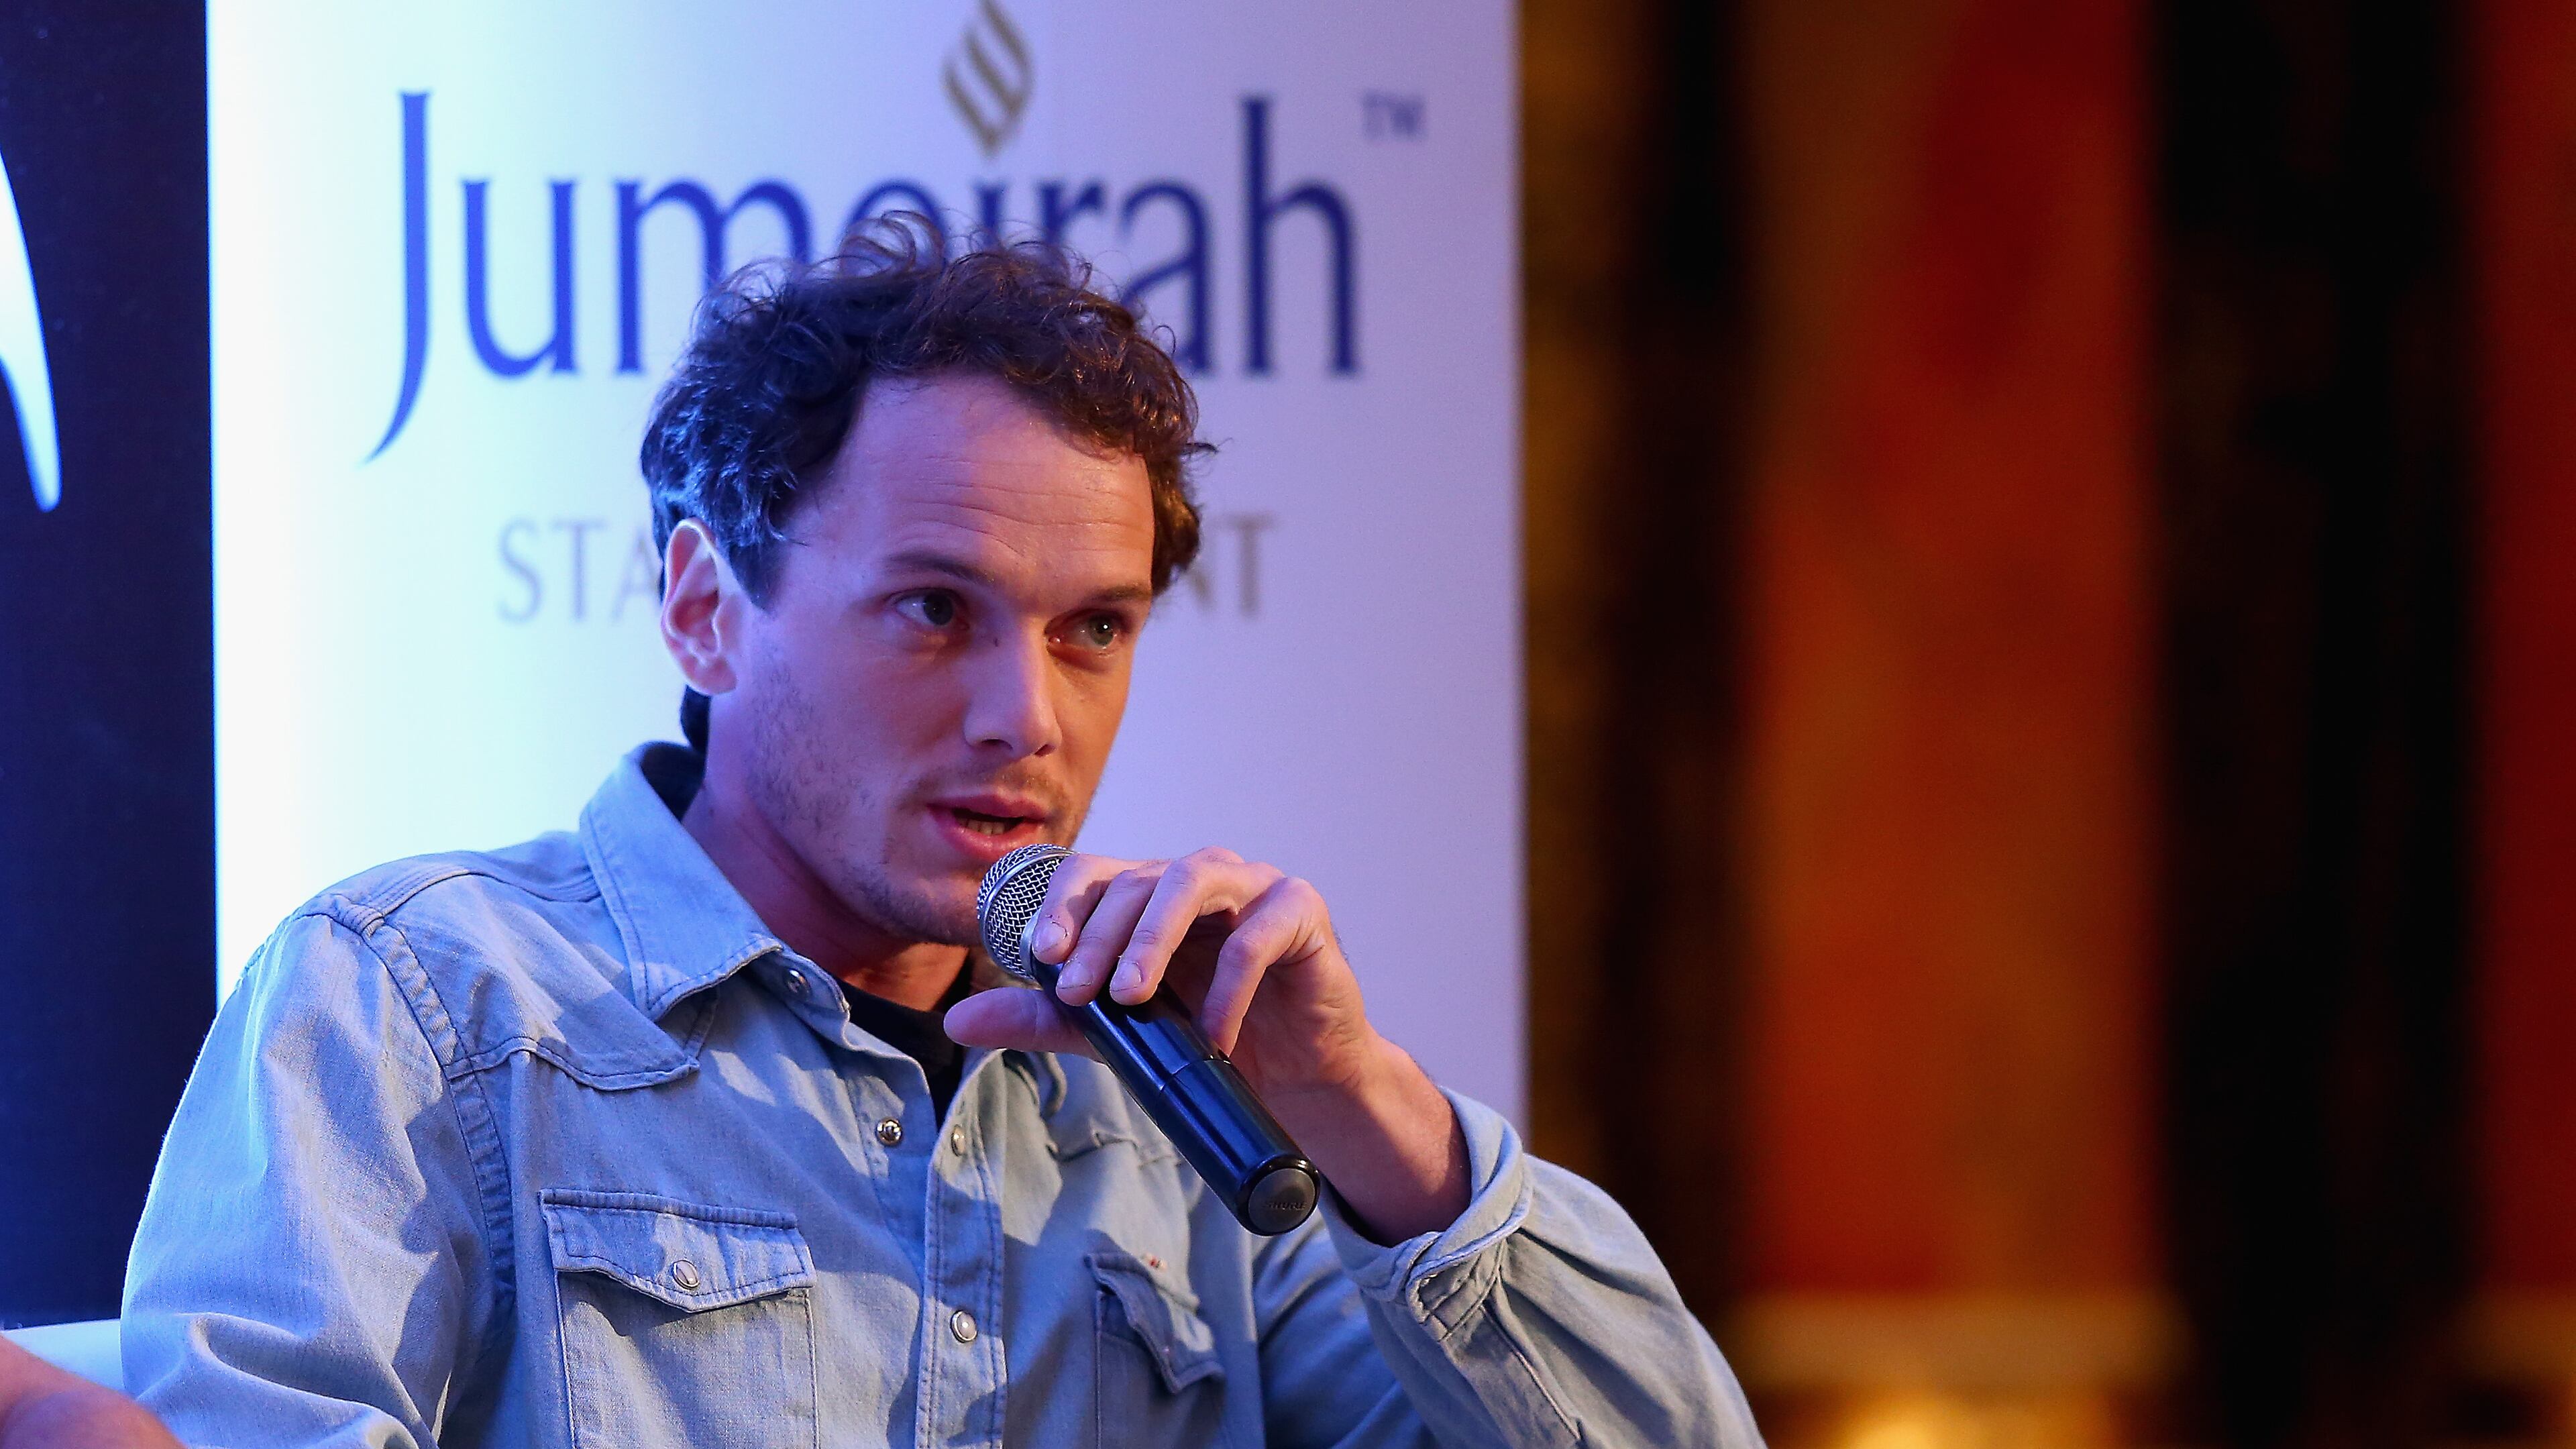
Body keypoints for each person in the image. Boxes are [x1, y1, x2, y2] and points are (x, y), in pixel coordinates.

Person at [122, 225, 1762, 1448]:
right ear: (707, 610)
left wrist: (1363, 1106)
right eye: (933, 609)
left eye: (1092, 631)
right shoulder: (420, 1003)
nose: (1027, 718)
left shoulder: (1194, 1094)